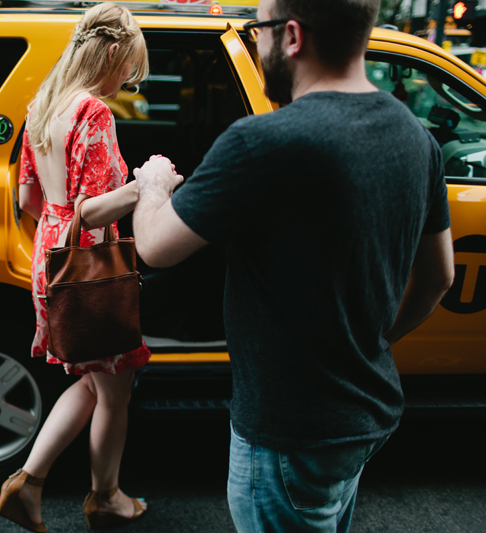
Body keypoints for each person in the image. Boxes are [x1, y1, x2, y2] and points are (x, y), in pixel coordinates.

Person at [131, 0, 456, 531]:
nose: (256, 45)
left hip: (288, 429)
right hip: (368, 411)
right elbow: (439, 276)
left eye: (258, 30)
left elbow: (154, 247)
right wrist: (369, 344)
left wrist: (152, 187)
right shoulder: (415, 136)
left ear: (292, 36)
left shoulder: (264, 142)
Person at [0, 3, 151, 532]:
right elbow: (92, 207)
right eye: (128, 66)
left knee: (93, 380)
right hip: (90, 269)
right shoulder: (93, 114)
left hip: (50, 257)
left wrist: (59, 232)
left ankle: (29, 483)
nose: (127, 80)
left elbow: (29, 198)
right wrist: (149, 185)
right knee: (115, 388)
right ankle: (105, 497)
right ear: (110, 52)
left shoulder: (43, 103)